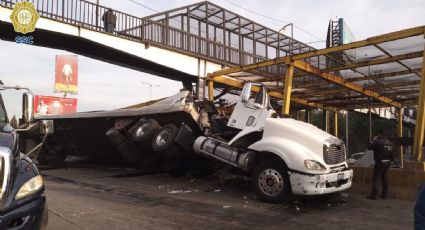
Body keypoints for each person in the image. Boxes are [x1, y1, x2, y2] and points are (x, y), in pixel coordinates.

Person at [367, 133, 394, 200]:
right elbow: (392, 153)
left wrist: (373, 140)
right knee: (384, 179)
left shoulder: (377, 142)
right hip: (388, 162)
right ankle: (384, 195)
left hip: (380, 162)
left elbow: (369, 147)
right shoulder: (390, 143)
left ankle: (374, 195)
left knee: (375, 179)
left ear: (377, 138)